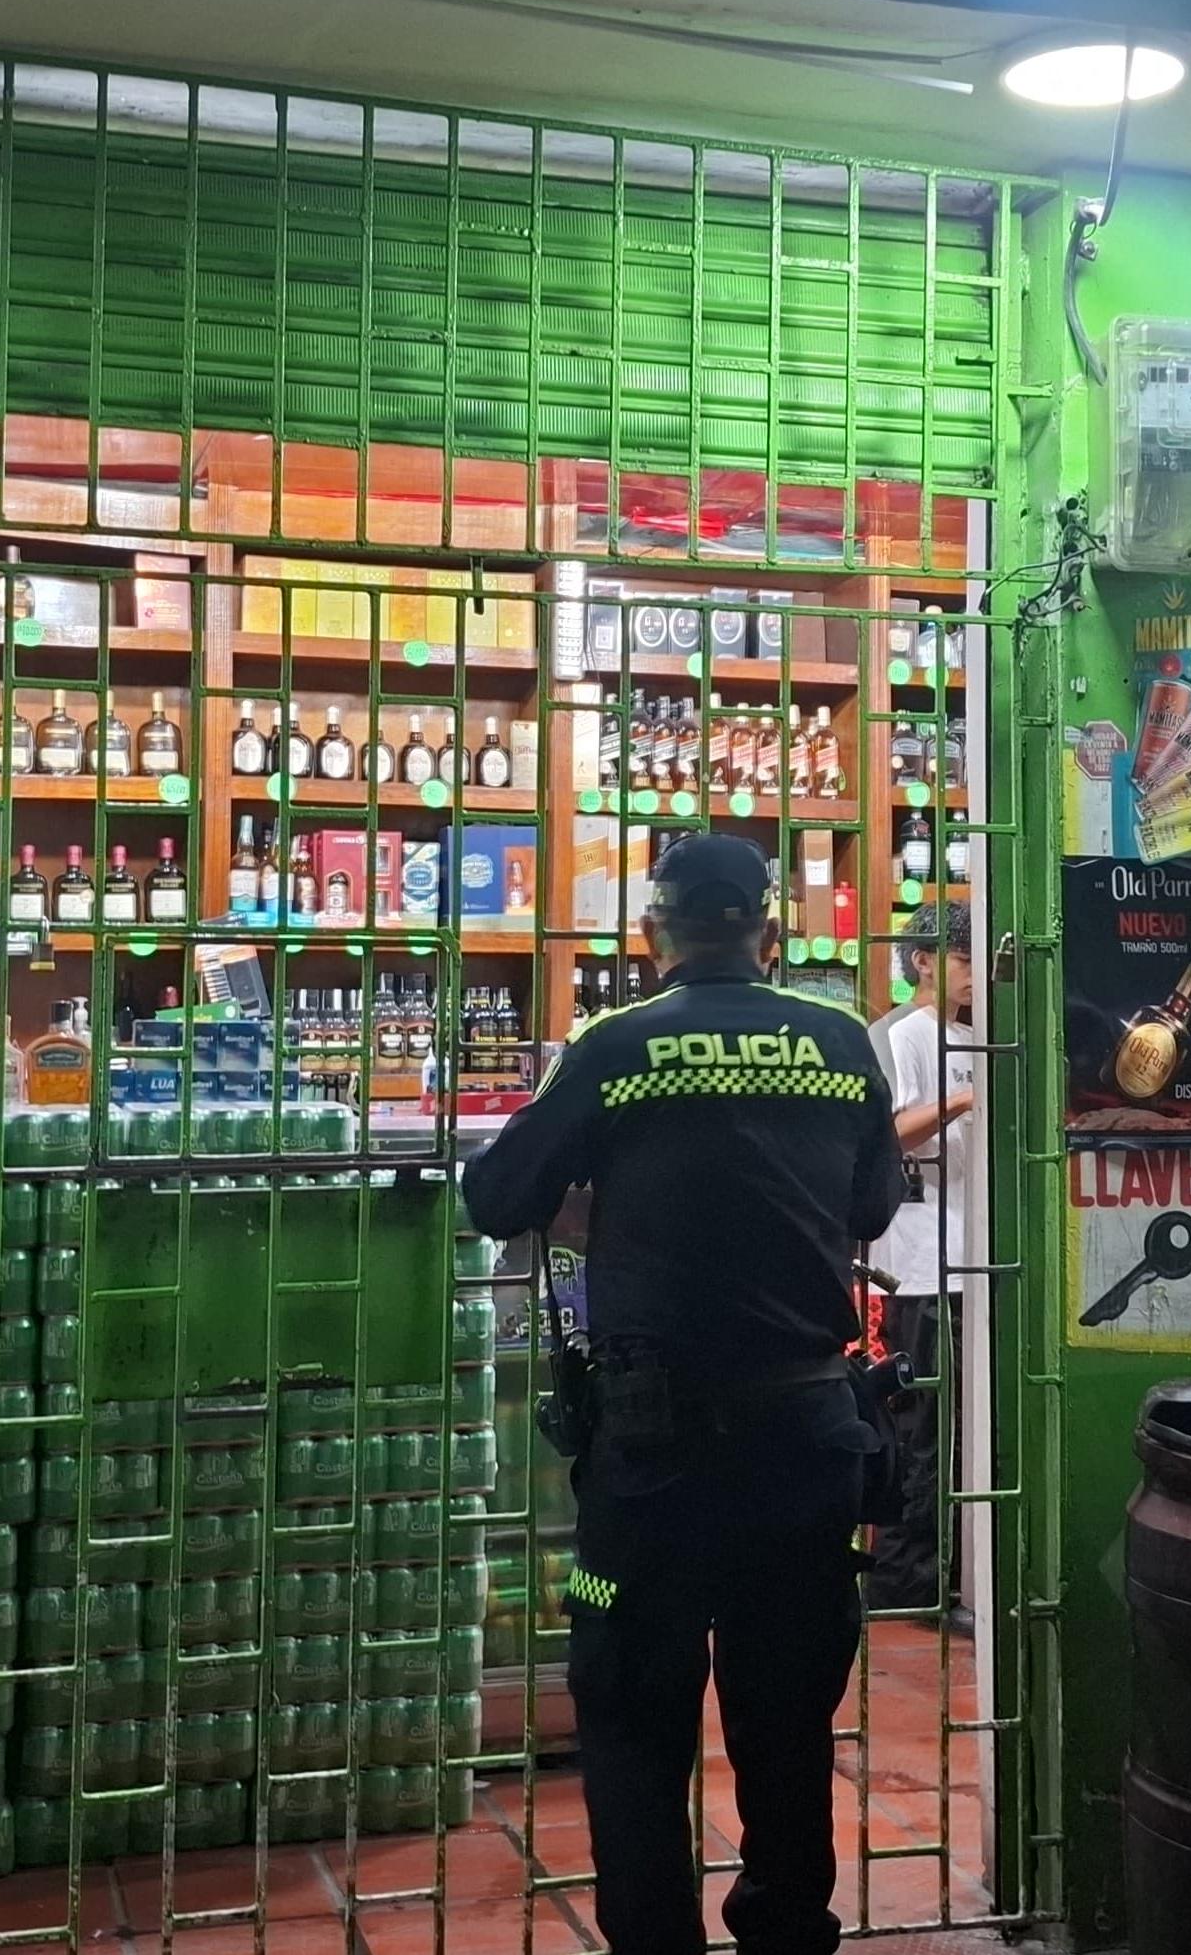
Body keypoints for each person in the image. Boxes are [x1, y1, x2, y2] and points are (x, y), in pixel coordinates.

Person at [462, 833, 902, 1955]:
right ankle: (787, 1927)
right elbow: (866, 1209)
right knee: (788, 1712)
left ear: (651, 933)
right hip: (806, 1427)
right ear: (771, 930)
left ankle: (655, 1938)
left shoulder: (617, 1044)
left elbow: (497, 1191)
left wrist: (604, 1207)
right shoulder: (840, 1039)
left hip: (654, 1448)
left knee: (630, 1710)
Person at [865, 903, 977, 1616]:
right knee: (924, 1432)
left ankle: (957, 1574)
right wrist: (965, 1096)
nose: (972, 978)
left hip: (973, 1257)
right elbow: (889, 1134)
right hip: (922, 1264)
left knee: (963, 1431)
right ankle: (905, 1583)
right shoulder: (904, 1037)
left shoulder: (974, 1034)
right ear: (925, 962)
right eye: (962, 962)